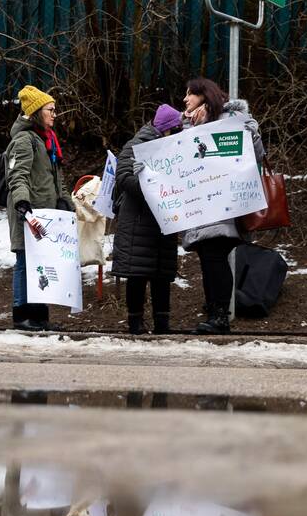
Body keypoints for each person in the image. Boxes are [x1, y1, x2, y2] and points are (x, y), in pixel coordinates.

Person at [179, 78, 265, 335]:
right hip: (202, 206)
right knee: (208, 259)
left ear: (204, 95)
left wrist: (243, 126)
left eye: (190, 94)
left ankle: (220, 316)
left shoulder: (232, 117)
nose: (185, 100)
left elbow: (256, 152)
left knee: (215, 256)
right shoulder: (190, 123)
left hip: (223, 204)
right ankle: (215, 312)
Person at [4, 85, 75, 331]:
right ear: (36, 112)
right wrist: (23, 203)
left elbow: (57, 179)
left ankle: (40, 316)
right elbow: (17, 175)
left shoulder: (48, 140)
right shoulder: (24, 140)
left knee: (42, 263)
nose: (55, 114)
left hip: (47, 214)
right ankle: (21, 315)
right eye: (50, 110)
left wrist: (65, 201)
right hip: (28, 213)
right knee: (25, 262)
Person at [113, 104, 185, 335]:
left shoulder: (172, 147)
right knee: (138, 274)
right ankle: (136, 323)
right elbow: (123, 178)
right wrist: (149, 182)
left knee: (162, 274)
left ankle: (162, 324)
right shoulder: (135, 147)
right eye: (175, 130)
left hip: (163, 219)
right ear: (165, 129)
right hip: (138, 221)